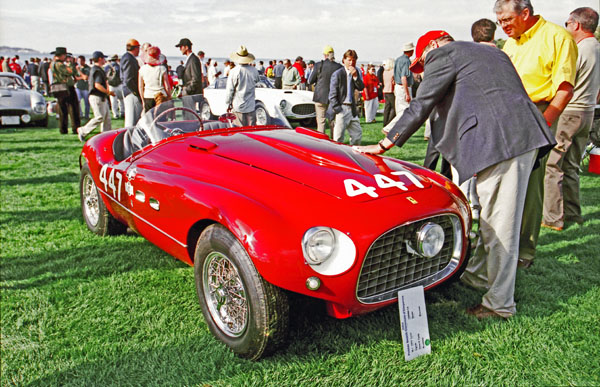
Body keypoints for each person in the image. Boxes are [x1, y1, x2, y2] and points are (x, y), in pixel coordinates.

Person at [353, 30, 556, 319]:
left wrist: (385, 143)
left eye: (422, 63)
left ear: (433, 46)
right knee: (494, 217)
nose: (423, 71)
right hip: (522, 136)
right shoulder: (491, 51)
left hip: (500, 142)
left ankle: (499, 304)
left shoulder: (443, 54)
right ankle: (477, 277)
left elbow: (422, 103)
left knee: (500, 226)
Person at [494, 0, 578, 268]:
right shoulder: (511, 42)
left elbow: (564, 88)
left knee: (530, 187)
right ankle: (501, 244)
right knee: (504, 183)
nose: (503, 26)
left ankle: (524, 252)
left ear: (525, 13)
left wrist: (543, 123)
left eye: (506, 20)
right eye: (499, 22)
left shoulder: (557, 37)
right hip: (508, 115)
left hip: (537, 115)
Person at [543, 7, 600, 230]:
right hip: (588, 111)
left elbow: (562, 79)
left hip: (569, 111)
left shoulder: (577, 50)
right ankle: (574, 214)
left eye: (567, 24)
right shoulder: (596, 47)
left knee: (553, 165)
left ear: (576, 25)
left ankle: (553, 218)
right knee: (573, 165)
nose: (566, 28)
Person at [328, 49, 364, 145]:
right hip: (341, 107)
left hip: (352, 108)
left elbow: (361, 87)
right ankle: (336, 157)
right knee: (338, 137)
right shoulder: (338, 74)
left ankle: (354, 154)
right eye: (349, 60)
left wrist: (356, 76)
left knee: (357, 134)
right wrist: (338, 109)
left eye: (353, 60)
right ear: (344, 60)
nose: (351, 63)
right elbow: (332, 95)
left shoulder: (356, 72)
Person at [77, 51, 114, 141]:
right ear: (100, 59)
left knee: (106, 118)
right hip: (96, 96)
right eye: (103, 58)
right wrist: (108, 92)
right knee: (99, 117)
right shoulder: (97, 70)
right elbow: (97, 85)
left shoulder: (96, 69)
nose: (105, 60)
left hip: (100, 96)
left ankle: (106, 136)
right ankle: (83, 130)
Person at [308, 45, 342, 136]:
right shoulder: (339, 67)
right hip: (334, 97)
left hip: (320, 96)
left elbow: (310, 80)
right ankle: (334, 140)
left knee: (321, 121)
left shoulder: (319, 65)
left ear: (325, 55)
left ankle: (321, 141)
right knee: (333, 121)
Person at [383, 42, 414, 134]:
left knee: (400, 110)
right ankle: (388, 128)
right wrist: (407, 93)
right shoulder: (406, 61)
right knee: (405, 111)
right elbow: (403, 77)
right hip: (403, 87)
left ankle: (397, 131)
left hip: (398, 87)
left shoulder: (398, 60)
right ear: (410, 51)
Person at [225, 46, 260, 126]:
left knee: (239, 132)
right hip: (251, 106)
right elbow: (257, 82)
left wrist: (228, 104)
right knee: (251, 131)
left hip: (238, 106)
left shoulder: (234, 71)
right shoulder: (254, 70)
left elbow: (230, 90)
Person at [50, 47, 78, 134]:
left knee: (62, 109)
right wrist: (72, 64)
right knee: (73, 109)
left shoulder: (53, 63)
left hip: (58, 88)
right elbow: (70, 72)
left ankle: (63, 128)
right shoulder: (59, 64)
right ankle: (75, 128)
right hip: (66, 87)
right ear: (62, 55)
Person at [138, 46, 171, 113]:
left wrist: (143, 100)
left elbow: (141, 87)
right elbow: (167, 86)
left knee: (150, 119)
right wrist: (169, 96)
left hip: (148, 96)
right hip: (161, 96)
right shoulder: (162, 68)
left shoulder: (142, 69)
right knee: (161, 119)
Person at [121, 38, 143, 127]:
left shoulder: (127, 57)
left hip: (130, 92)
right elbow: (128, 79)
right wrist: (136, 92)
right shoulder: (129, 59)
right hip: (131, 93)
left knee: (133, 120)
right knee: (131, 122)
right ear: (135, 48)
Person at [105, 54, 124, 119]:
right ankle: (122, 112)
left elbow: (106, 77)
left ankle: (115, 114)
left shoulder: (107, 67)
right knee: (121, 99)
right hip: (119, 84)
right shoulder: (119, 66)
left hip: (111, 85)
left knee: (113, 101)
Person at [75, 55, 90, 120]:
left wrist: (79, 71)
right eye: (78, 61)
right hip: (78, 87)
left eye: (81, 61)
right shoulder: (77, 68)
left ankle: (87, 115)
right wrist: (81, 77)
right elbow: (76, 77)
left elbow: (86, 77)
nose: (79, 62)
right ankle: (80, 114)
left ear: (84, 61)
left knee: (87, 102)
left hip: (85, 88)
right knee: (78, 101)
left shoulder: (87, 68)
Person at [381, 58, 396, 126]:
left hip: (386, 90)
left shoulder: (385, 71)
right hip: (391, 90)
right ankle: (389, 123)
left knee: (387, 108)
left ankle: (385, 122)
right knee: (394, 108)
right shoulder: (393, 71)